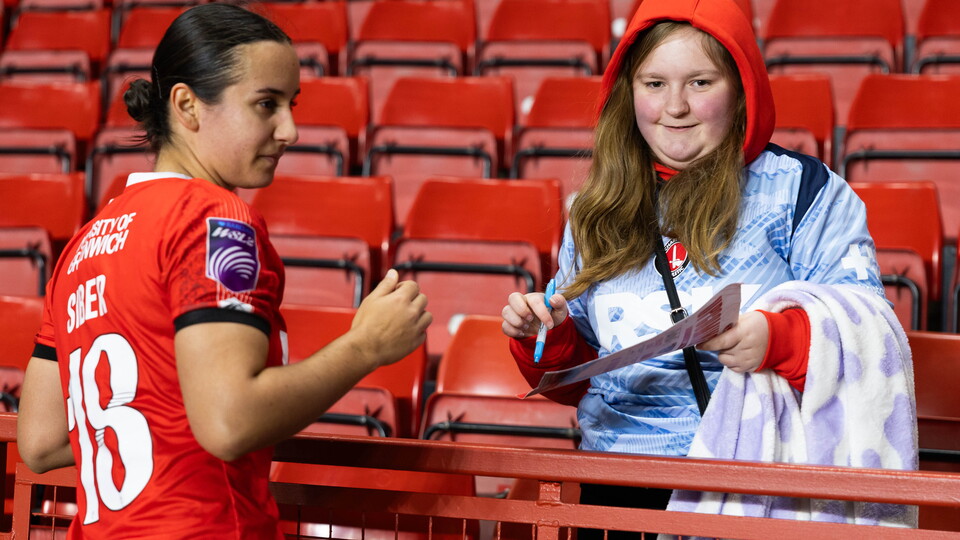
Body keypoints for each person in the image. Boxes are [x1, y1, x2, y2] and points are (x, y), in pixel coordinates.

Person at [16, 4, 431, 538]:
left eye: (290, 105)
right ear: (187, 105)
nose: (290, 130)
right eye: (266, 104)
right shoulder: (213, 219)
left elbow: (41, 441)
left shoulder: (83, 244)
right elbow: (230, 422)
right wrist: (365, 347)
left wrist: (165, 415)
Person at [502, 0, 915, 533]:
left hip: (756, 485)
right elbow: (575, 384)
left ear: (742, 89)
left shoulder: (803, 191)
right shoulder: (594, 207)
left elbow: (874, 340)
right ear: (628, 92)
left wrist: (778, 340)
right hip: (616, 488)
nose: (674, 106)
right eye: (654, 84)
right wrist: (547, 338)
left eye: (699, 82)